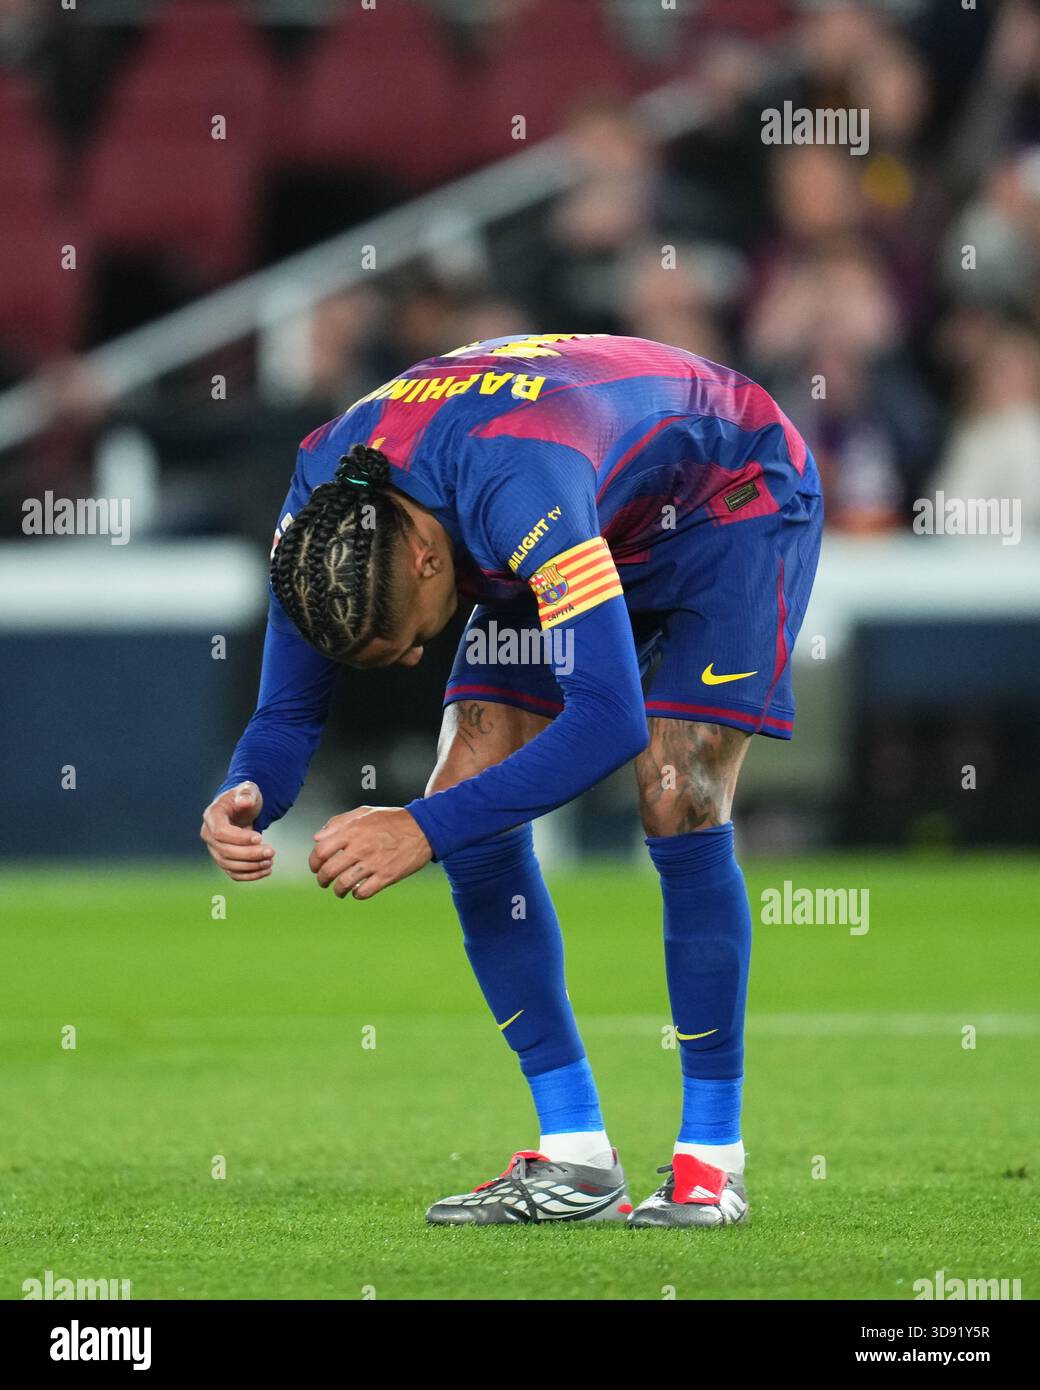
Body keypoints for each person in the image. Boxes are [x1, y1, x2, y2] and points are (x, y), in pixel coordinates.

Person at [200, 333, 823, 1228]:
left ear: (424, 560)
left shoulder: (514, 485)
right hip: (570, 510)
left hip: (724, 498)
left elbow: (609, 722)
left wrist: (420, 828)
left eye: (407, 641)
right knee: (473, 790)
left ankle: (710, 1160)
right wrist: (250, 792)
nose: (420, 655)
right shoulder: (323, 515)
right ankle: (575, 1157)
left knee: (675, 791)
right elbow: (292, 711)